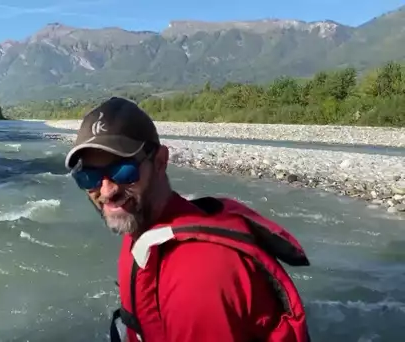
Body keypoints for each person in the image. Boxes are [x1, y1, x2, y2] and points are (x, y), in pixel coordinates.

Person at [64, 96, 312, 342]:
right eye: (88, 177)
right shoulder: (145, 226)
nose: (107, 191)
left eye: (123, 171)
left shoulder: (198, 280)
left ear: (160, 161)